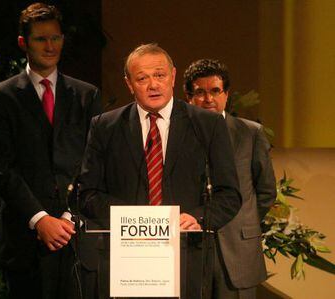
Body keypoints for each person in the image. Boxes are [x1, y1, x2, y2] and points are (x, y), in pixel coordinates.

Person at [78, 44, 241, 299]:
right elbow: (87, 194)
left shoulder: (207, 124)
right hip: (125, 260)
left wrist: (197, 217)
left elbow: (230, 194)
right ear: (129, 84)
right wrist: (132, 221)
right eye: (142, 78)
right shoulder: (105, 127)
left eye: (160, 75)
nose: (153, 84)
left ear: (173, 77)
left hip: (185, 256)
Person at [0, 3, 101, 298]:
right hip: (25, 241)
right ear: (24, 43)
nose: (50, 46)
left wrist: (67, 216)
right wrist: (40, 218)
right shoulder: (1, 97)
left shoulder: (87, 95)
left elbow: (94, 162)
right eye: (41, 39)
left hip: (76, 237)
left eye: (56, 38)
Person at [184, 59, 276, 299]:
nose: (208, 99)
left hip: (239, 250)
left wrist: (244, 224)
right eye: (200, 92)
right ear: (189, 97)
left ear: (226, 94)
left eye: (215, 91)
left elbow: (266, 192)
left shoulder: (250, 133)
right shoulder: (177, 135)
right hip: (190, 249)